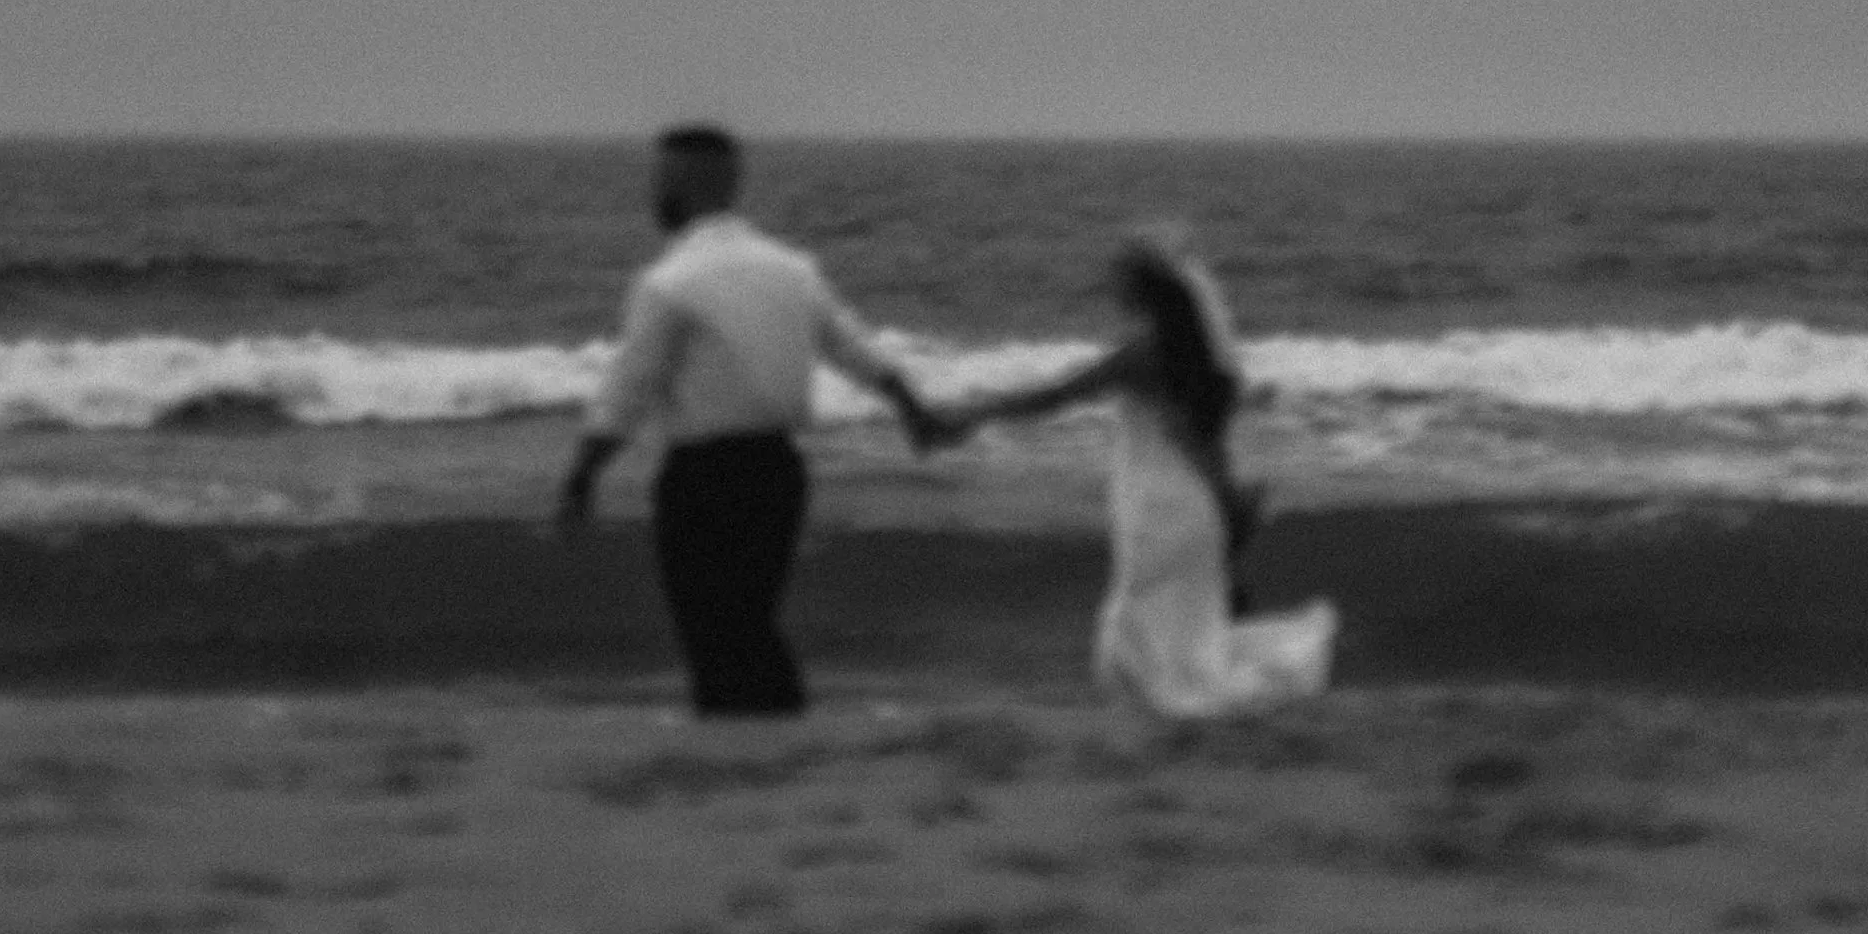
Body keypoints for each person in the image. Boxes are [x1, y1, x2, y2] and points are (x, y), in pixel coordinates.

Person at [556, 124, 945, 716]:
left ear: (681, 186)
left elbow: (627, 390)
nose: (654, 192)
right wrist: (912, 411)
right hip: (779, 474)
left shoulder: (667, 283)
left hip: (703, 477)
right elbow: (856, 350)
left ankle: (752, 735)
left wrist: (583, 475)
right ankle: (769, 733)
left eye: (661, 178)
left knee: (712, 624)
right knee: (747, 618)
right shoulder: (793, 269)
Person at [935, 229, 1335, 718]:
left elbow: (1054, 397)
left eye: (1120, 280)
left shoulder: (1141, 354)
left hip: (1156, 507)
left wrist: (974, 412)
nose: (1111, 288)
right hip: (1192, 507)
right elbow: (1204, 446)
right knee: (1174, 633)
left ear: (1141, 292)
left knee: (1142, 631)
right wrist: (1229, 504)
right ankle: (1170, 711)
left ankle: (1167, 716)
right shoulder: (1196, 358)